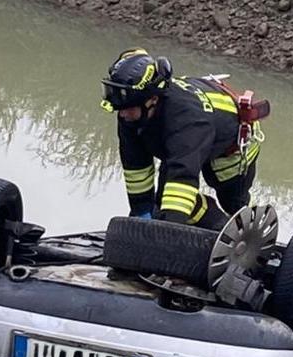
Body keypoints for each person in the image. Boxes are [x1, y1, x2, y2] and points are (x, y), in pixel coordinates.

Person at [101, 48, 266, 231]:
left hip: (232, 145)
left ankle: (230, 230)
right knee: (162, 201)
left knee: (232, 204)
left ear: (152, 100)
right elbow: (136, 169)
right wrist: (141, 213)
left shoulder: (187, 121)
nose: (122, 115)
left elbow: (183, 177)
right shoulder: (130, 112)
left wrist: (168, 232)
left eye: (128, 109)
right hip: (182, 142)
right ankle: (213, 224)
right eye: (120, 109)